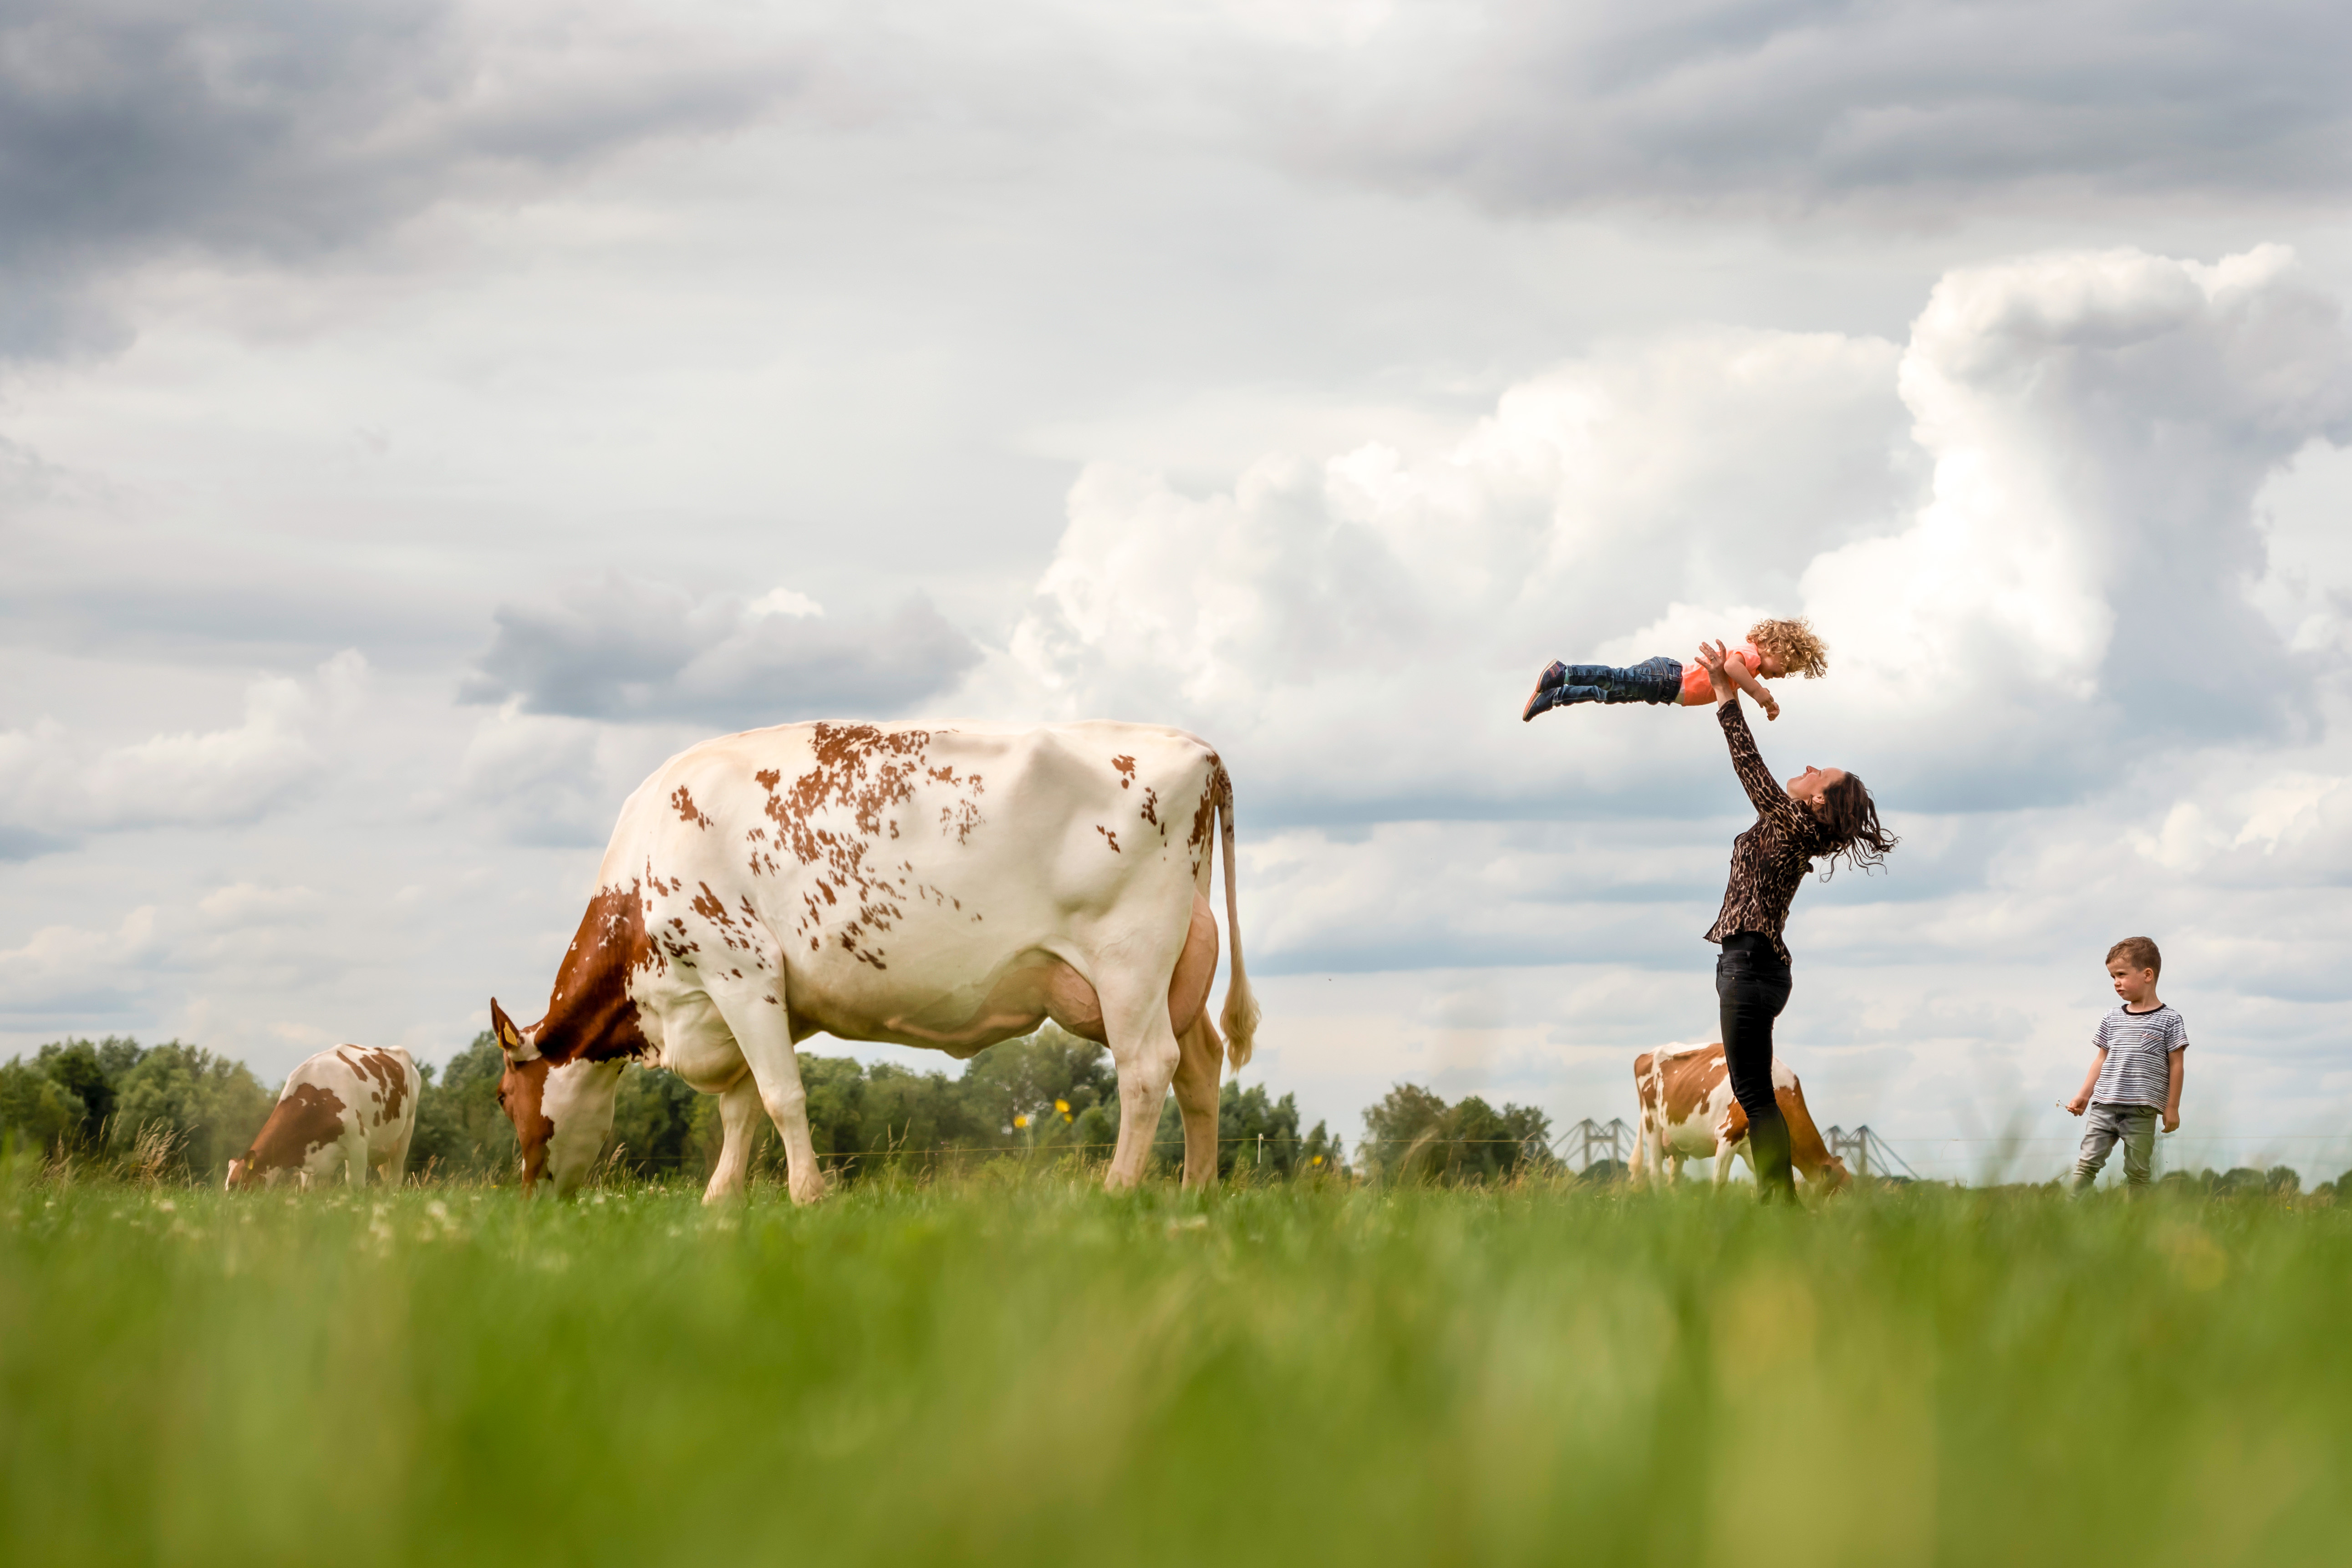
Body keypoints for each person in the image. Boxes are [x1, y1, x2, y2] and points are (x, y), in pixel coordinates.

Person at [1693, 638, 1894, 1201]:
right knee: (1755, 1094)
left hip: (1750, 964)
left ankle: (1778, 1204)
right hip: (1757, 968)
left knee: (1755, 1095)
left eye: (1818, 774)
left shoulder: (1792, 824)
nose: (1806, 770)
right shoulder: (1798, 828)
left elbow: (1749, 766)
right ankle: (1777, 1202)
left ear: (1820, 803)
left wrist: (1726, 694)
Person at [1522, 616, 1828, 723]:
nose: (1785, 674)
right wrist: (1760, 695)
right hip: (1669, 678)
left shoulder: (1753, 665)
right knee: (1615, 679)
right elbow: (1733, 667)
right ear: (1772, 646)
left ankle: (1557, 696)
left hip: (1666, 685)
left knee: (1609, 694)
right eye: (1786, 666)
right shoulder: (1750, 657)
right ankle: (1564, 672)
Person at [2061, 938, 2187, 1194]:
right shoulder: (2112, 1017)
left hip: (2142, 1111)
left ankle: (2135, 1225)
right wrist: (2083, 1095)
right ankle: (2068, 1213)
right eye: (2112, 977)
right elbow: (2101, 1059)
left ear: (2147, 975)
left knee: (2138, 1173)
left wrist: (2172, 1108)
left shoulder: (2170, 1019)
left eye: (2121, 975)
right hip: (2104, 1105)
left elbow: (2177, 1066)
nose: (2116, 982)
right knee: (2087, 1165)